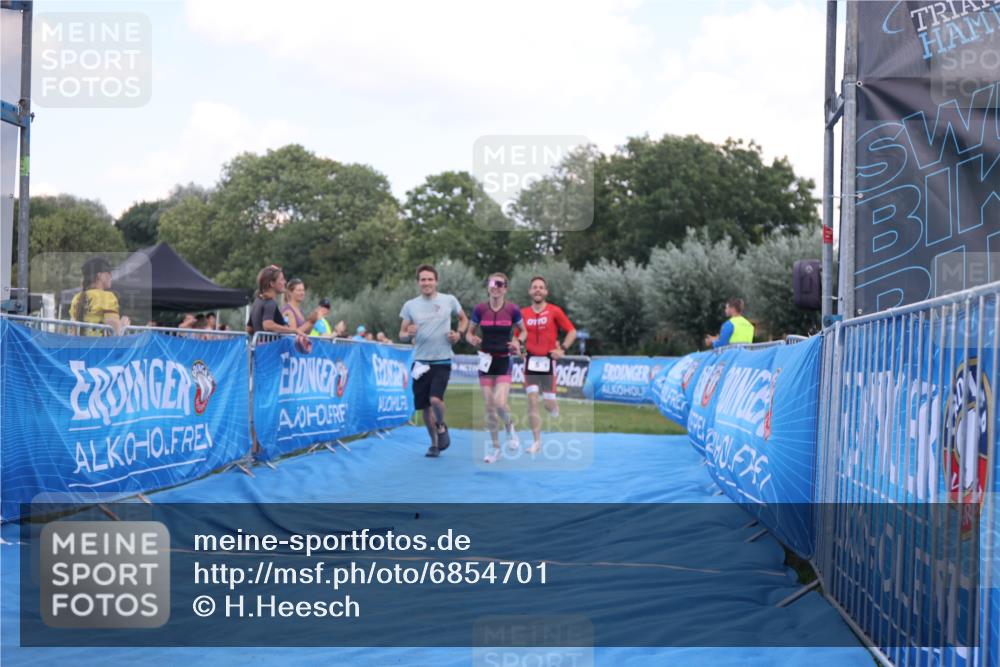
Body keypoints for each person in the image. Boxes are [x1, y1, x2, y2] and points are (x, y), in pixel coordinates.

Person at [399, 264, 469, 458]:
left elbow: (463, 319)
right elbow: (402, 333)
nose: (427, 283)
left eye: (430, 279)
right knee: (424, 407)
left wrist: (459, 334)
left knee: (435, 399)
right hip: (420, 362)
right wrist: (408, 333)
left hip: (442, 359)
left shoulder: (449, 300)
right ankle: (434, 444)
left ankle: (441, 425)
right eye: (423, 279)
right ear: (418, 282)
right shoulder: (410, 305)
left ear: (436, 281)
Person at [466, 272, 524, 464]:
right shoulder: (480, 309)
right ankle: (495, 449)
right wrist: (471, 339)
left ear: (505, 288)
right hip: (485, 362)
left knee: (500, 403)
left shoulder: (512, 310)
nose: (495, 286)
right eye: (491, 282)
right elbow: (470, 332)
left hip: (503, 361)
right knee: (490, 408)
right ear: (488, 286)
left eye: (499, 284)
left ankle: (510, 429)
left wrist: (517, 341)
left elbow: (523, 331)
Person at [520, 276, 577, 454]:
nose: (538, 290)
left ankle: (554, 407)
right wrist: (518, 346)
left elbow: (571, 331)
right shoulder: (523, 313)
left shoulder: (555, 311)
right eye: (534, 287)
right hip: (530, 362)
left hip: (548, 363)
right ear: (530, 291)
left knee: (548, 404)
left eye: (541, 288)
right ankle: (536, 442)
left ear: (546, 292)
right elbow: (517, 335)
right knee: (532, 400)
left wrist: (563, 349)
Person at [246, 265, 311, 349]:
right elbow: (268, 325)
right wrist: (293, 330)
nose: (284, 282)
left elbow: (249, 328)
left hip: (258, 350)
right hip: (270, 351)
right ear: (272, 284)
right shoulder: (270, 303)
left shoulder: (257, 301)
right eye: (281, 279)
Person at [70, 257, 130, 336]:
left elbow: (73, 330)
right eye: (109, 272)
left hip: (80, 346)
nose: (111, 276)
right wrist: (123, 325)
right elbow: (115, 333)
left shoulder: (76, 298)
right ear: (99, 276)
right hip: (100, 346)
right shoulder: (107, 297)